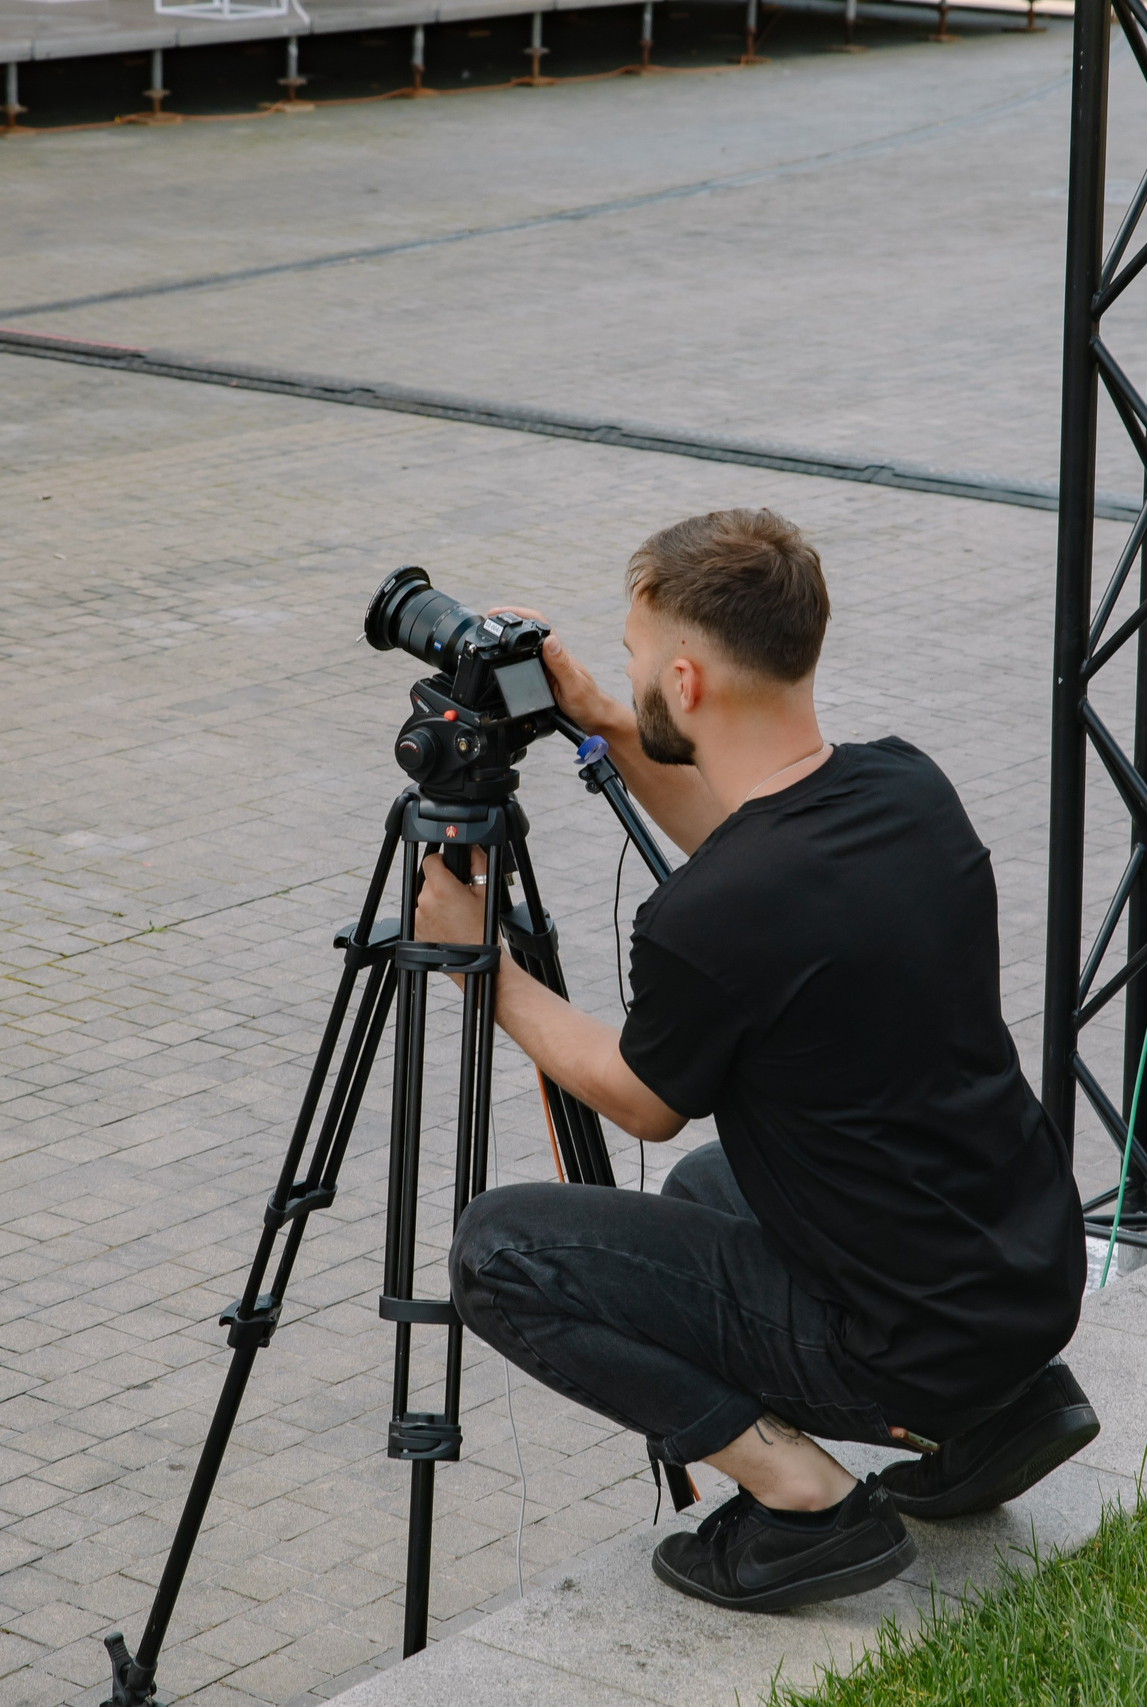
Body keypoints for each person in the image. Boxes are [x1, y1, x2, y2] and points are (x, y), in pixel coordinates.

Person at [412, 508, 1094, 1613]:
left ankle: (807, 1506)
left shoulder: (712, 922)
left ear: (683, 681)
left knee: (500, 1253)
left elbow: (641, 1102)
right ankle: (1004, 1411)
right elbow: (749, 852)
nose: (625, 679)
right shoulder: (905, 789)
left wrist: (479, 968)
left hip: (899, 1342)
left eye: (632, 663)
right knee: (704, 1196)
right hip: (1021, 1283)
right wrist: (593, 713)